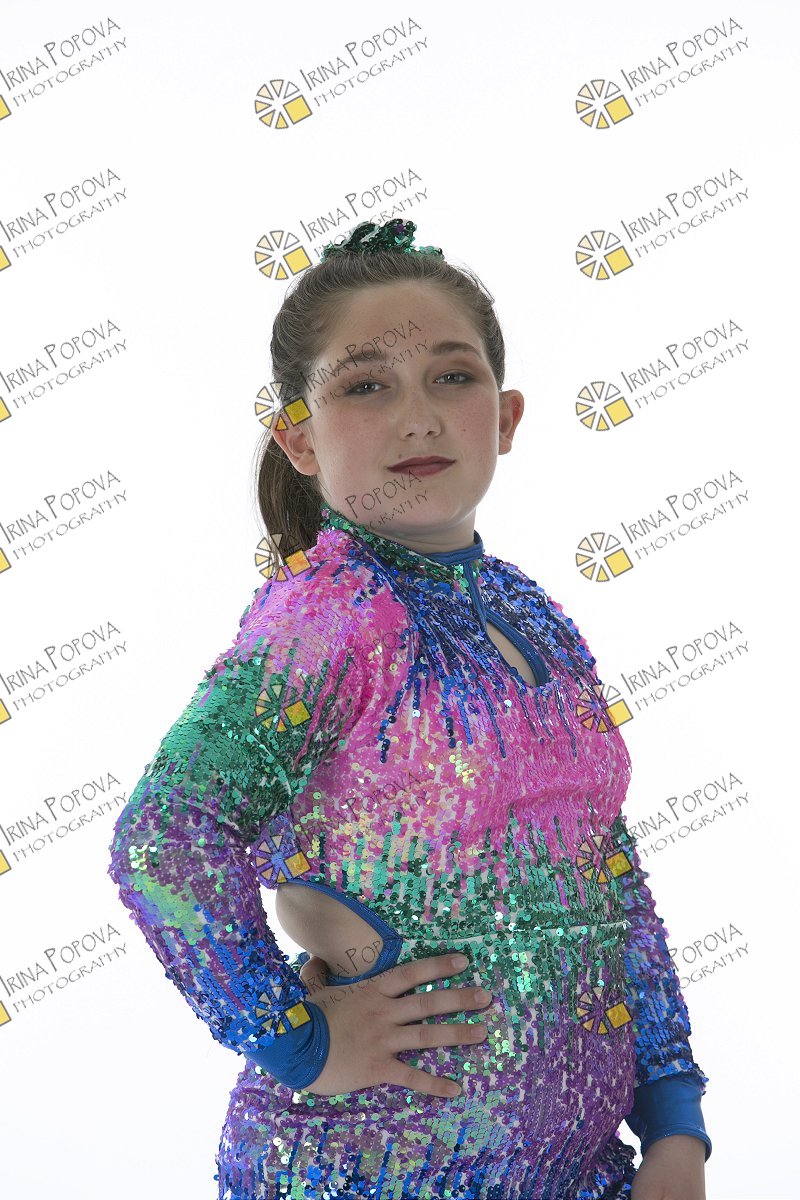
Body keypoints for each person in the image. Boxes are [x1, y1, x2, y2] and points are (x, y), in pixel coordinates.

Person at [107, 218, 712, 1200]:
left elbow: (607, 878)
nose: (418, 417)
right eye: (365, 386)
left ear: (504, 418)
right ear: (299, 438)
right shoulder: (330, 619)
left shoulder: (530, 615)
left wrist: (673, 1121)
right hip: (369, 1169)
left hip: (578, 1171)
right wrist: (294, 1040)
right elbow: (165, 839)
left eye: (451, 377)